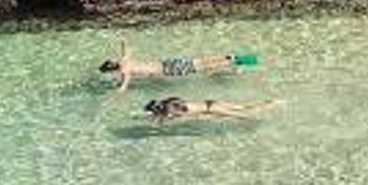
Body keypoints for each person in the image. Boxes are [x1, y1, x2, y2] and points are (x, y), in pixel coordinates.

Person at [98, 40, 258, 91]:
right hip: (168, 62)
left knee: (201, 68)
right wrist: (123, 41)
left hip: (168, 70)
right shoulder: (124, 61)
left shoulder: (124, 70)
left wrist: (116, 91)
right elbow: (127, 48)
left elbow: (124, 86)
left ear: (112, 70)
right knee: (199, 62)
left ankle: (234, 61)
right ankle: (229, 57)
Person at [143, 97, 280, 122]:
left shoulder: (169, 110)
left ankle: (261, 118)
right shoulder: (171, 101)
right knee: (243, 106)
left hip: (212, 109)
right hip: (211, 102)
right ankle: (272, 103)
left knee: (240, 116)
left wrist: (156, 119)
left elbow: (167, 119)